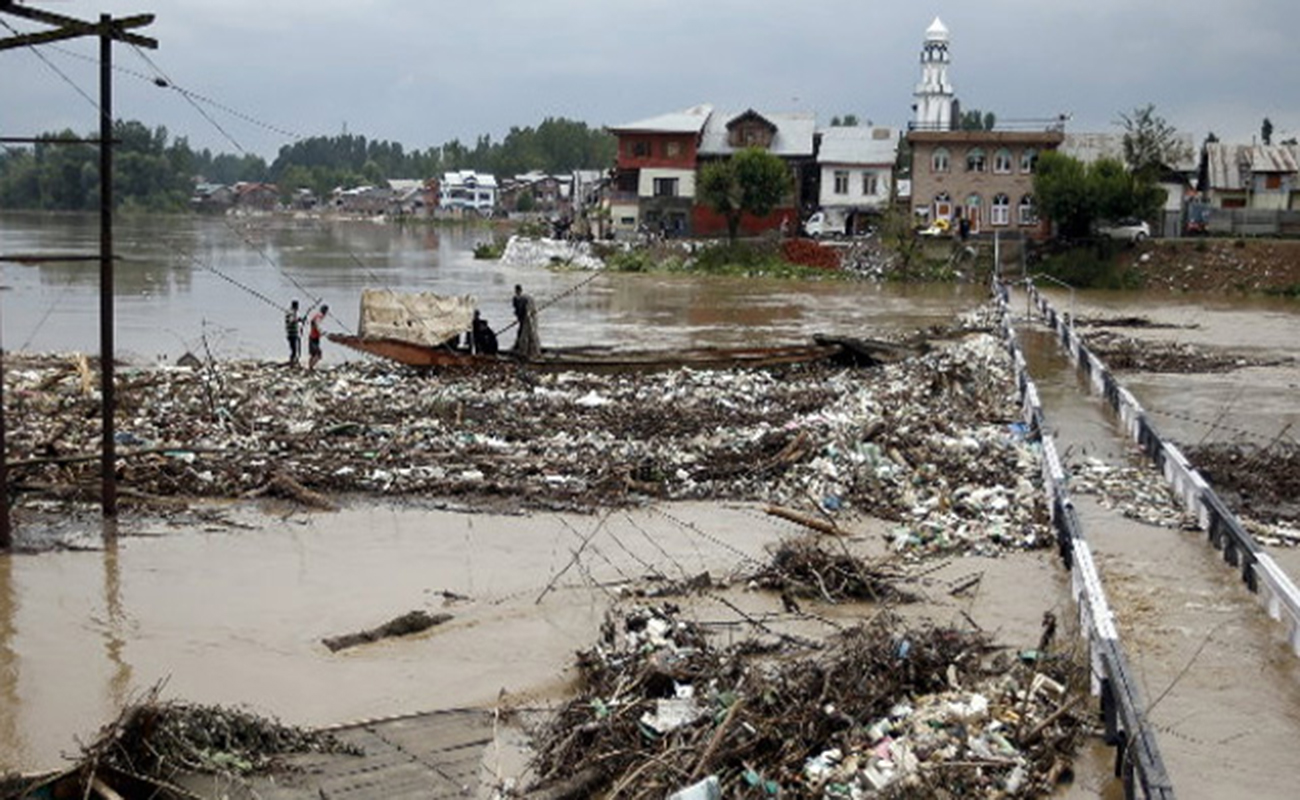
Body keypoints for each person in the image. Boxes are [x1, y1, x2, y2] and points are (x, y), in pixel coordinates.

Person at [511, 284, 540, 359]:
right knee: (522, 334)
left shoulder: (525, 299)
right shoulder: (516, 299)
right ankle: (522, 350)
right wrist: (519, 319)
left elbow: (526, 310)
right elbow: (518, 311)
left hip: (529, 317)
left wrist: (526, 316)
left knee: (529, 335)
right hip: (524, 318)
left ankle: (530, 352)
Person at [307, 304, 329, 371]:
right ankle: (311, 367)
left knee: (313, 354)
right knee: (318, 354)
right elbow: (317, 325)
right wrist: (321, 332)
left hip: (313, 337)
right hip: (314, 338)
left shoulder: (317, 316)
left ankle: (310, 367)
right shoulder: (319, 316)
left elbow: (313, 323)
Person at [284, 299, 304, 367]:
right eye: (297, 306)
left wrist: (300, 320)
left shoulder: (293, 312)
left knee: (297, 350)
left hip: (295, 333)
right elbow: (291, 321)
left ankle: (295, 362)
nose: (298, 308)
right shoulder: (291, 312)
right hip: (291, 334)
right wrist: (298, 320)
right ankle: (292, 364)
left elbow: (296, 321)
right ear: (296, 306)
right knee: (294, 350)